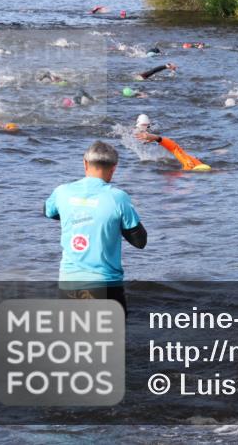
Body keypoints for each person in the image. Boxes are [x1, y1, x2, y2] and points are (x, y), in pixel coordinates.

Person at [45, 141, 146, 313]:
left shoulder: (62, 192)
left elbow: (50, 212)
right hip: (106, 284)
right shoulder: (118, 198)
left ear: (85, 162)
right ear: (114, 168)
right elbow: (140, 241)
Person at [133, 114, 211, 171]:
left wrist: (156, 138)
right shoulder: (193, 163)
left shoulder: (191, 164)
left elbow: (174, 148)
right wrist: (156, 138)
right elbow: (174, 147)